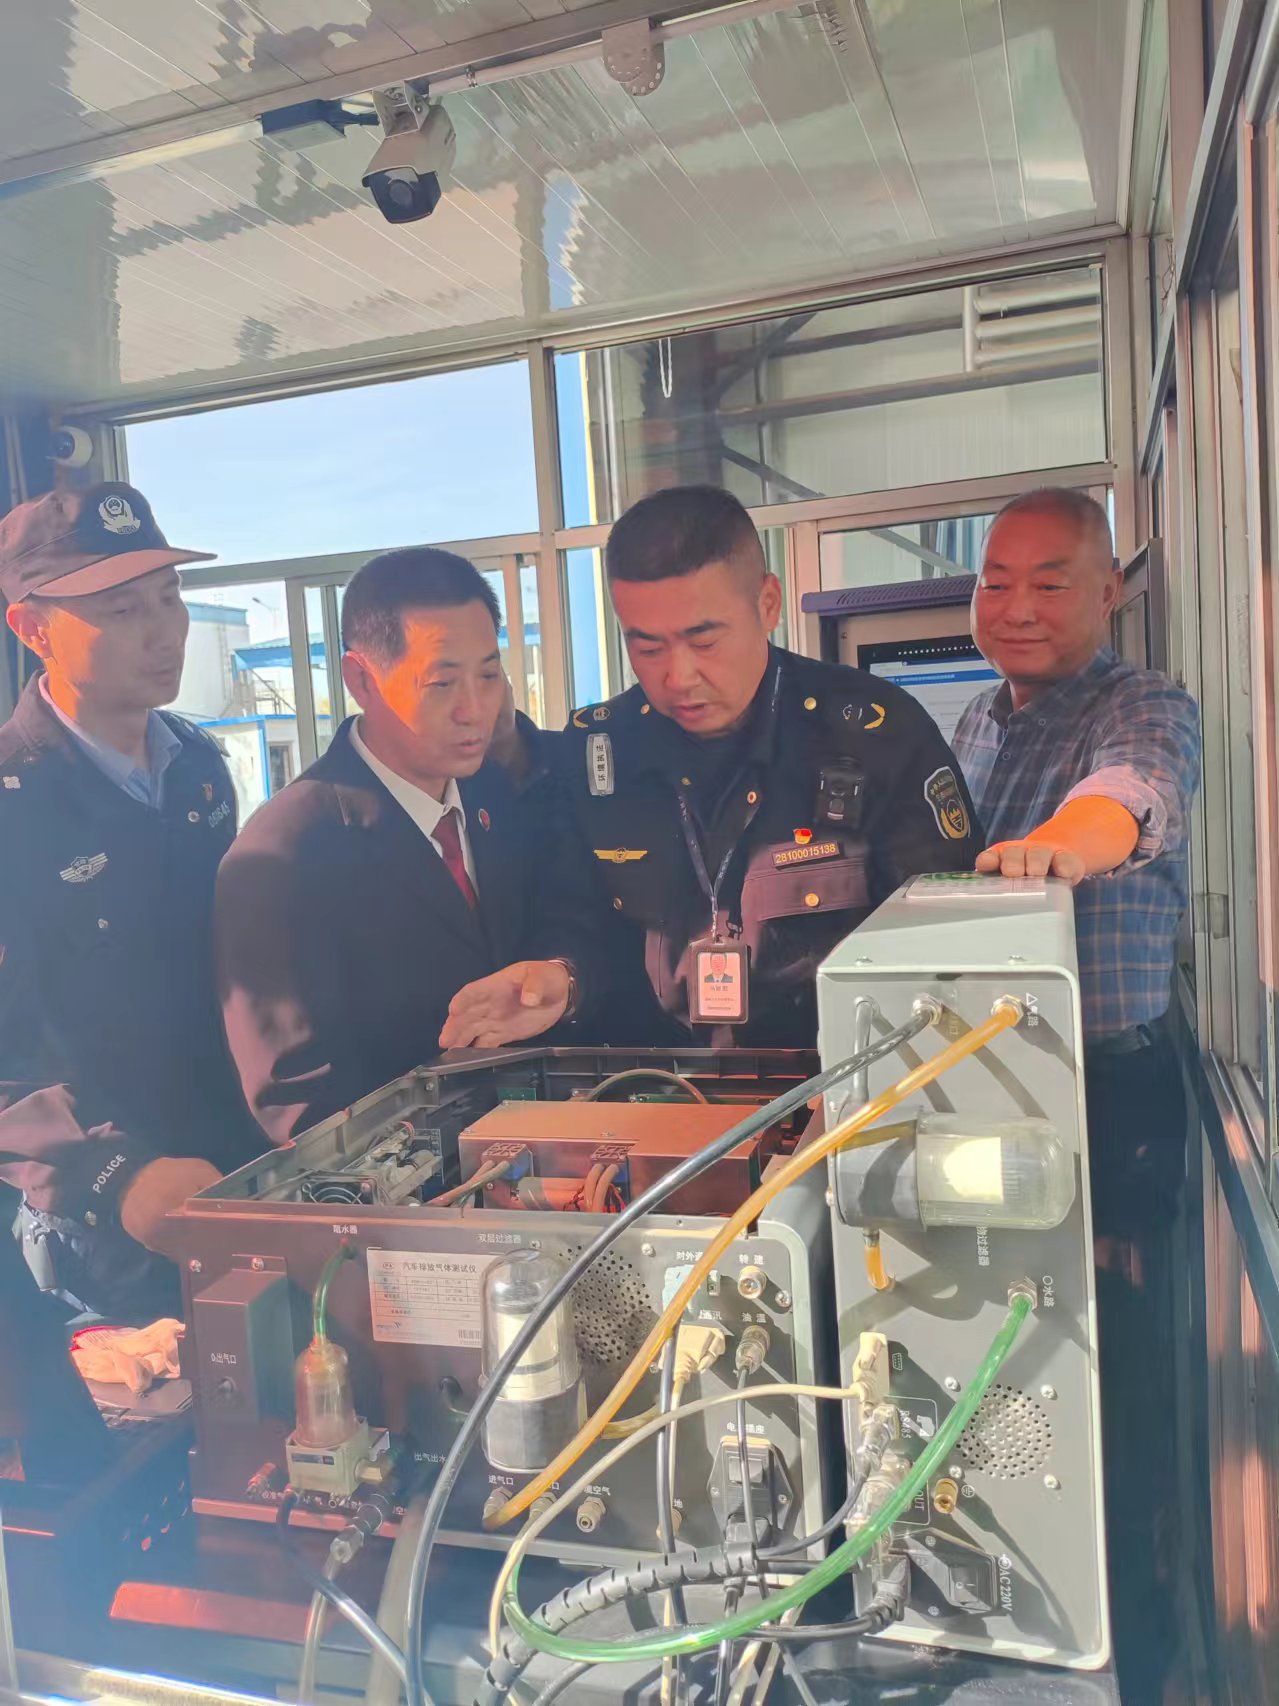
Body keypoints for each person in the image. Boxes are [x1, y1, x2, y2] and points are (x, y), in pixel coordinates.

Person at [442, 484, 982, 1052]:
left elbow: (942, 937)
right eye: (648, 648)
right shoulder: (597, 751)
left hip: (836, 1078)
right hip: (652, 1084)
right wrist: (562, 979)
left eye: (704, 641)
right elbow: (574, 917)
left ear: (767, 604)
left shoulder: (875, 735)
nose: (678, 678)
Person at [950, 486, 1201, 1702]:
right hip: (988, 1107)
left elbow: (1129, 794)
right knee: (1001, 1376)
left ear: (1110, 589)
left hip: (1108, 1096)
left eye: (1050, 580)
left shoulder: (1141, 701)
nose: (1017, 605)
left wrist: (1066, 839)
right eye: (995, 580)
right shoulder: (971, 721)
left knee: (1119, 1398)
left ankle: (1139, 1659)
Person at [216, 547, 605, 1143]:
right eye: (442, 683)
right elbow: (298, 1101)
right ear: (360, 681)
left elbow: (567, 920)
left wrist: (560, 977)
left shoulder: (495, 792)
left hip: (539, 1148)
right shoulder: (283, 854)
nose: (474, 709)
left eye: (489, 675)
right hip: (406, 1183)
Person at [0, 482, 262, 1317]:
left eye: (169, 596)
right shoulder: (12, 803)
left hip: (231, 1171)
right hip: (107, 1226)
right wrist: (112, 1175)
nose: (164, 630)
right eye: (121, 609)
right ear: (32, 628)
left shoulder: (197, 767)